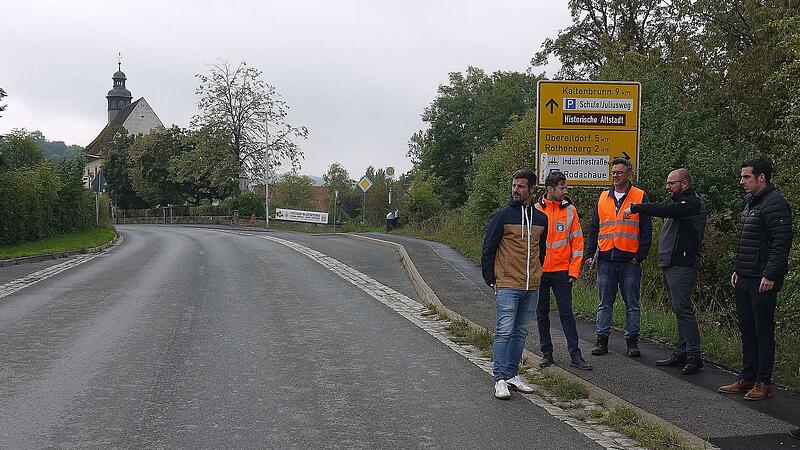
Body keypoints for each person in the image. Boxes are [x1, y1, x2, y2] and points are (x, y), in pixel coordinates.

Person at [719, 158, 793, 400]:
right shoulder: (751, 203)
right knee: (747, 329)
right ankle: (747, 376)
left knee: (763, 330)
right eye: (742, 177)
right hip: (745, 275)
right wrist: (738, 269)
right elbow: (747, 241)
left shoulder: (775, 204)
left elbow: (781, 243)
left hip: (763, 278)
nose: (742, 181)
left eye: (746, 177)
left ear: (762, 177)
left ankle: (764, 381)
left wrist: (770, 274)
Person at [623, 168, 707, 374]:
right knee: (678, 309)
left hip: (682, 264)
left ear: (684, 184)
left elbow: (667, 209)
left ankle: (694, 356)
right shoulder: (681, 205)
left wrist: (637, 208)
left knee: (683, 308)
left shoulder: (691, 204)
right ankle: (682, 351)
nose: (667, 187)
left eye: (672, 183)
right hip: (671, 263)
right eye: (667, 183)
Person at [482, 169, 548, 399]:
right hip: (508, 283)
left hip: (532, 285)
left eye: (521, 186)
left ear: (532, 189)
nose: (515, 190)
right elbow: (489, 247)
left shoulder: (541, 219)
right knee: (504, 331)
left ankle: (512, 374)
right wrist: (490, 278)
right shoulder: (503, 216)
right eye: (514, 186)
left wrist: (537, 274)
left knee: (520, 332)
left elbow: (543, 251)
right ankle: (499, 378)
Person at [585, 157, 652, 357]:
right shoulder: (603, 197)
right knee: (604, 302)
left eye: (619, 172)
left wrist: (640, 256)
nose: (615, 175)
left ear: (629, 175)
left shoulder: (639, 196)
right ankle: (601, 340)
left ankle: (632, 342)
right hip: (606, 259)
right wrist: (590, 253)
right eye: (613, 172)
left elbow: (646, 229)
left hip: (629, 260)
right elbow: (594, 227)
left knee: (631, 303)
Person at [534, 172, 592, 370]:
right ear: (550, 189)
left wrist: (574, 271)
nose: (565, 191)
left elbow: (577, 243)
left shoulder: (570, 211)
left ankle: (575, 355)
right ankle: (546, 353)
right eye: (562, 188)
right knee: (541, 313)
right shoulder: (534, 210)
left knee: (566, 314)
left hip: (562, 272)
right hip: (539, 273)